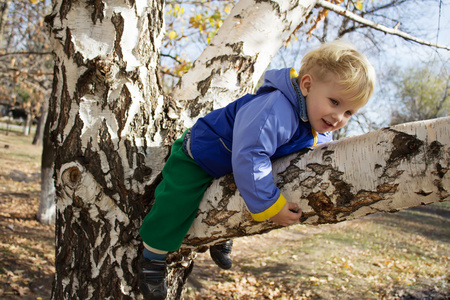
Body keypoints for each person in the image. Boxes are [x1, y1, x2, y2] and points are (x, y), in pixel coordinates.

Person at [138, 40, 376, 299]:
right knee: (176, 201)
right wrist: (272, 206)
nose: (339, 118)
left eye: (349, 112)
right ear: (307, 86)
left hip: (230, 165)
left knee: (230, 199)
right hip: (201, 154)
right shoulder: (276, 108)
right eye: (334, 102)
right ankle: (153, 259)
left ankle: (219, 236)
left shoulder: (315, 126)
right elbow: (251, 155)